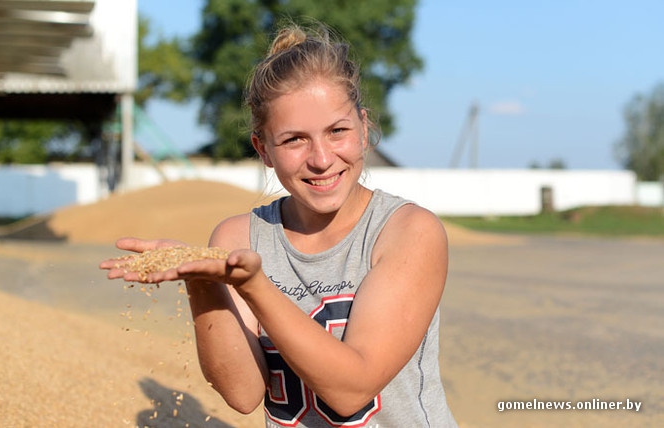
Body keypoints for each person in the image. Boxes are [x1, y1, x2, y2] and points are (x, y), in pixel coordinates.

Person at [101, 21, 457, 428]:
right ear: (263, 149)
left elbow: (351, 390)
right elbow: (242, 393)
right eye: (294, 140)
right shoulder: (239, 237)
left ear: (363, 128)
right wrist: (201, 280)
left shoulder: (407, 231)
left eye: (337, 131)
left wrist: (254, 286)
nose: (321, 159)